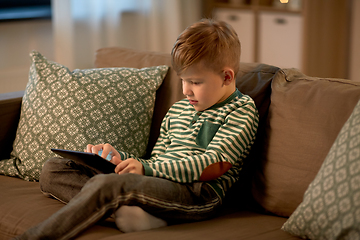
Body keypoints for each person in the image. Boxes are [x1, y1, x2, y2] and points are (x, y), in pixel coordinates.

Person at [15, 18, 259, 239]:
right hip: (160, 185)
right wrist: (121, 159)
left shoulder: (241, 110)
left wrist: (145, 168)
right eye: (183, 80)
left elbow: (213, 165)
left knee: (109, 185)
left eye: (195, 82)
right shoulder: (178, 110)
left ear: (227, 77)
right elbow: (157, 160)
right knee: (53, 169)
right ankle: (131, 215)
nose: (186, 90)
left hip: (198, 193)